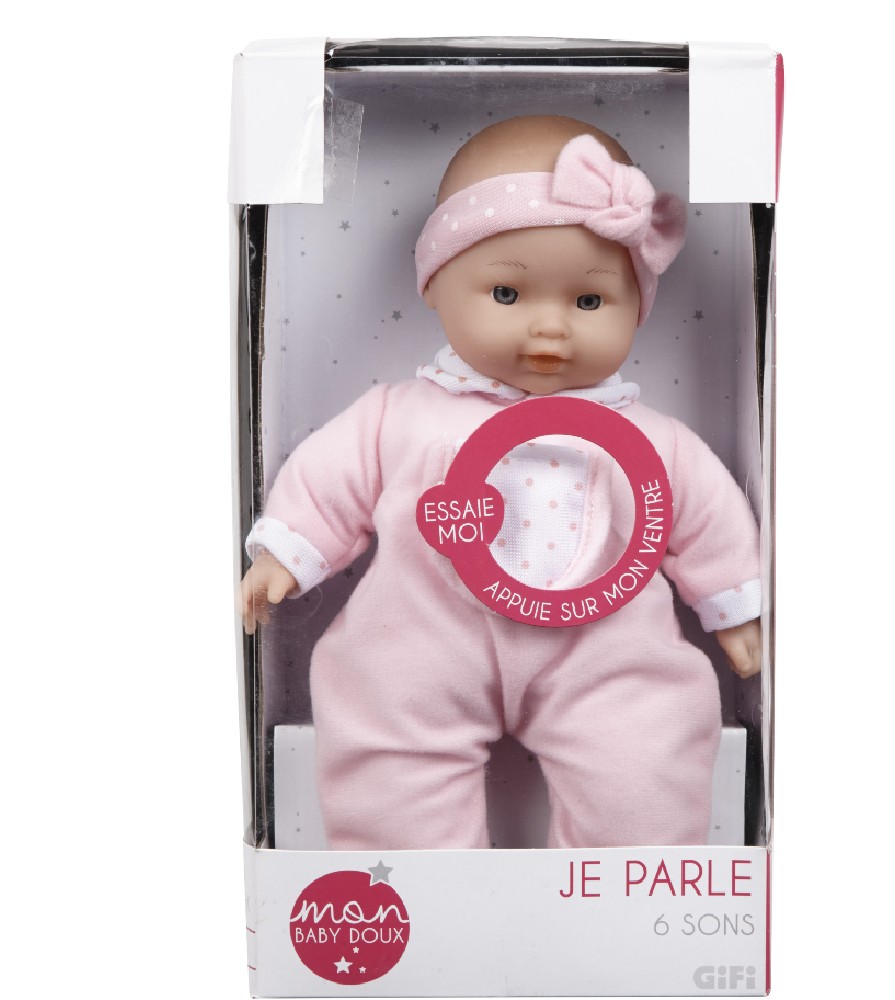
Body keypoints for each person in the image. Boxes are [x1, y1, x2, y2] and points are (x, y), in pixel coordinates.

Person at [240, 115, 761, 850]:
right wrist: (285, 556)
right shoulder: (399, 415)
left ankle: (620, 895)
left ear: (637, 308)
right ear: (436, 285)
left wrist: (733, 605)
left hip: (606, 649)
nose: (550, 329)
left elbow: (709, 516)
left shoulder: (652, 441)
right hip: (422, 638)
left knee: (649, 751)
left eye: (588, 302)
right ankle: (418, 895)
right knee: (384, 736)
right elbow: (330, 480)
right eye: (508, 295)